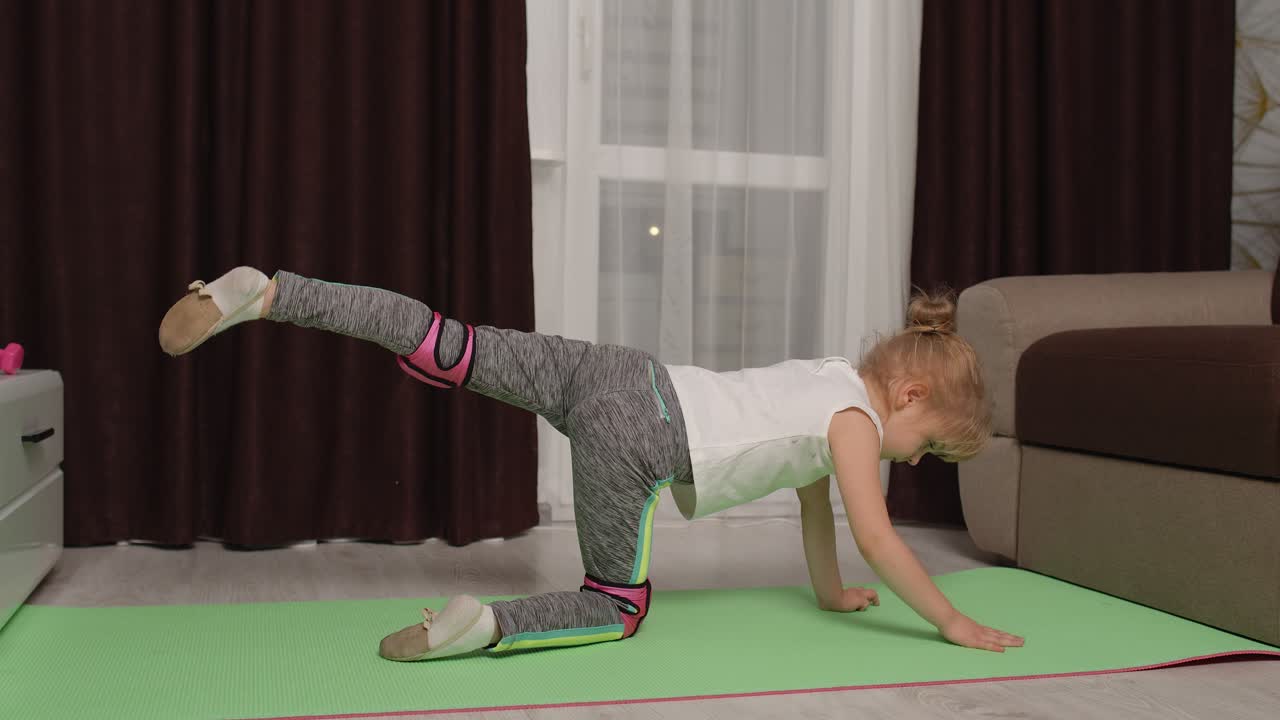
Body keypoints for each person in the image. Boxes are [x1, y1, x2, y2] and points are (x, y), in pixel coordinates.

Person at [159, 267, 1025, 661]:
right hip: (641, 438)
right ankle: (486, 626)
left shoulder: (830, 383)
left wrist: (830, 595)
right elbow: (876, 534)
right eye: (930, 448)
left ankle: (270, 293)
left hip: (620, 372)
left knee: (448, 343)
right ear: (907, 398)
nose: (913, 462)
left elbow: (815, 509)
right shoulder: (856, 424)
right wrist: (947, 619)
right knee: (616, 606)